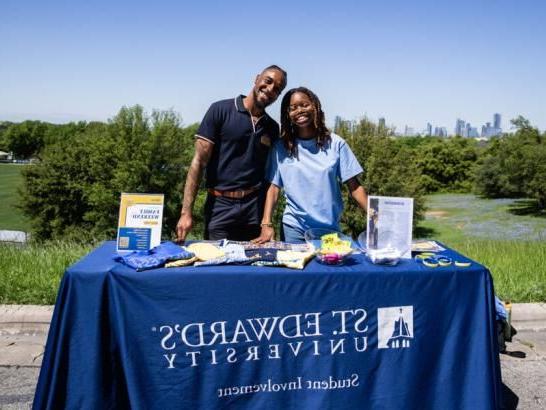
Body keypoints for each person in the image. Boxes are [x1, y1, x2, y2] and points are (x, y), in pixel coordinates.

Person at [176, 65, 287, 242]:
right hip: (219, 207)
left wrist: (267, 222)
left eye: (277, 89)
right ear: (257, 78)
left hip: (253, 209)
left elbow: (270, 179)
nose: (270, 89)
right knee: (218, 266)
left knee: (253, 267)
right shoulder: (220, 110)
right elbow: (198, 163)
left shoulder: (272, 128)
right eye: (268, 81)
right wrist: (186, 212)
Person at [253, 87, 368, 243]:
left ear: (315, 106)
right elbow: (273, 188)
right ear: (288, 115)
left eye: (304, 105)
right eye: (293, 108)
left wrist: (374, 215)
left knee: (328, 267)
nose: (299, 111)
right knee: (296, 266)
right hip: (294, 228)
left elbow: (354, 186)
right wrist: (266, 223)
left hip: (329, 228)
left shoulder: (336, 144)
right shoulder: (281, 147)